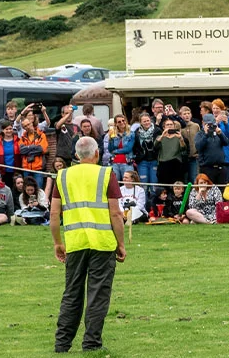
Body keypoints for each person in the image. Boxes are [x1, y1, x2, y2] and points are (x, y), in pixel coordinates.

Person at [50, 136, 126, 353]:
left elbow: (55, 213)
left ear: (76, 155)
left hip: (75, 242)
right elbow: (115, 212)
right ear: (96, 154)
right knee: (98, 293)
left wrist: (57, 243)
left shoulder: (62, 175)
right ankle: (91, 343)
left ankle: (62, 343)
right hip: (102, 243)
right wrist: (120, 243)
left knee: (72, 292)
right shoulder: (106, 173)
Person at [132, 114, 159, 195]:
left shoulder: (157, 130)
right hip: (142, 162)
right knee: (144, 185)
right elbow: (134, 146)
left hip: (154, 160)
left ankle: (153, 206)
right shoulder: (136, 133)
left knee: (154, 184)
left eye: (148, 120)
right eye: (144, 121)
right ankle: (144, 205)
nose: (147, 123)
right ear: (140, 122)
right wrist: (136, 156)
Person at [0, 122, 22, 188]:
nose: (9, 131)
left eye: (10, 129)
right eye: (6, 129)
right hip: (2, 171)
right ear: (2, 130)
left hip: (15, 170)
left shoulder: (18, 140)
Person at [156, 118, 187, 186]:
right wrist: (162, 136)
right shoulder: (160, 137)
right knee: (164, 185)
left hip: (176, 163)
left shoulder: (178, 136)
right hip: (163, 163)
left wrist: (180, 139)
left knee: (176, 185)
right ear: (164, 127)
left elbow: (183, 149)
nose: (169, 126)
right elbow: (155, 146)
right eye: (167, 125)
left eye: (171, 124)